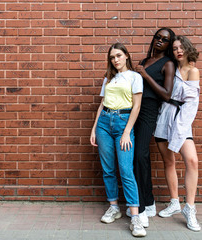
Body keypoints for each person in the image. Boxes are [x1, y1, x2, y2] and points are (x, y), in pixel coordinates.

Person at [90, 42, 146, 237]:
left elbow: (137, 106)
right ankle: (114, 207)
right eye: (112, 57)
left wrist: (126, 132)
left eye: (119, 56)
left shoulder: (135, 77)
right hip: (104, 123)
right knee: (108, 169)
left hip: (123, 123)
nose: (115, 60)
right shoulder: (109, 78)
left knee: (126, 169)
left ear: (126, 56)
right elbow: (101, 104)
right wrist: (94, 128)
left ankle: (135, 217)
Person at [126, 28, 176, 228]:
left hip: (148, 112)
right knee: (132, 155)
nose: (160, 41)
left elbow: (166, 94)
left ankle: (147, 203)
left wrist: (145, 75)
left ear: (168, 45)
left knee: (140, 155)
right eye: (158, 37)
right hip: (133, 110)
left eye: (165, 40)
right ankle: (142, 203)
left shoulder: (168, 64)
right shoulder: (144, 61)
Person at [154, 35, 201, 232]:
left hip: (180, 121)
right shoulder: (171, 68)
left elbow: (191, 105)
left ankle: (189, 208)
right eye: (174, 48)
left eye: (181, 47)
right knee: (169, 161)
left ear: (188, 49)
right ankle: (174, 202)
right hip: (164, 118)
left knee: (191, 161)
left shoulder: (192, 70)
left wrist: (180, 131)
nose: (178, 51)